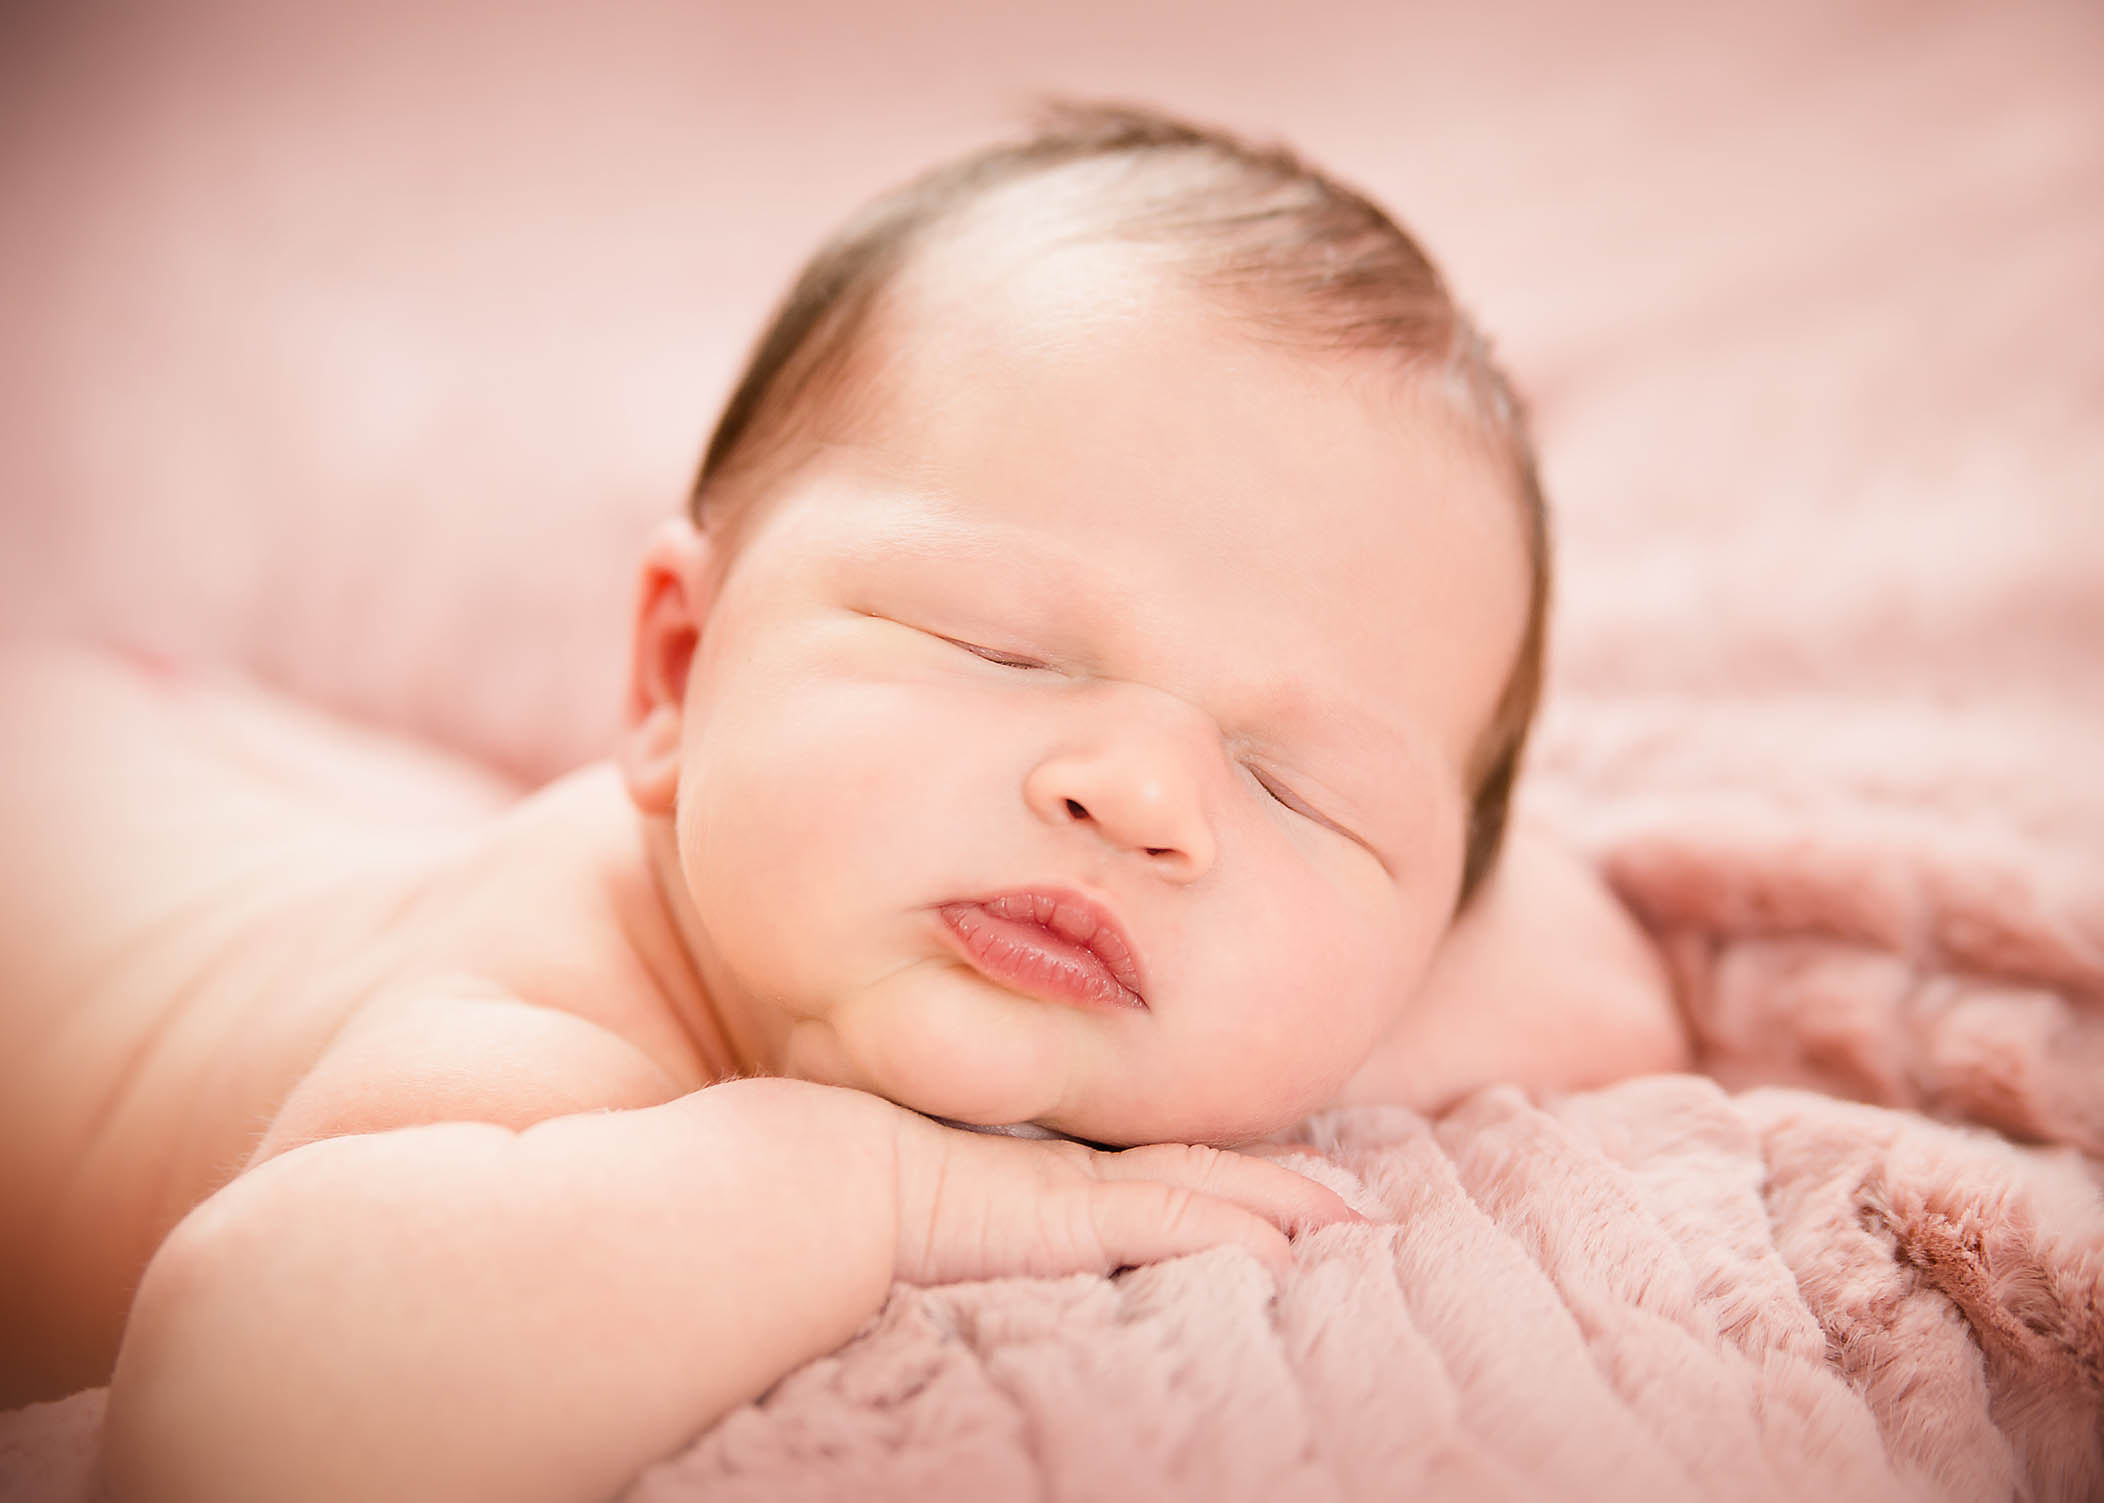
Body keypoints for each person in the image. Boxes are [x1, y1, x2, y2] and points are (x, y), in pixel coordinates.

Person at [0, 104, 1686, 1499]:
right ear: (674, 674)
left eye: (1294, 788)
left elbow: (1594, 979)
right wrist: (887, 1191)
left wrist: (1299, 1007)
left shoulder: (1168, 888)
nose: (1146, 791)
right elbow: (236, 1409)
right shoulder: (539, 1041)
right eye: (1002, 651)